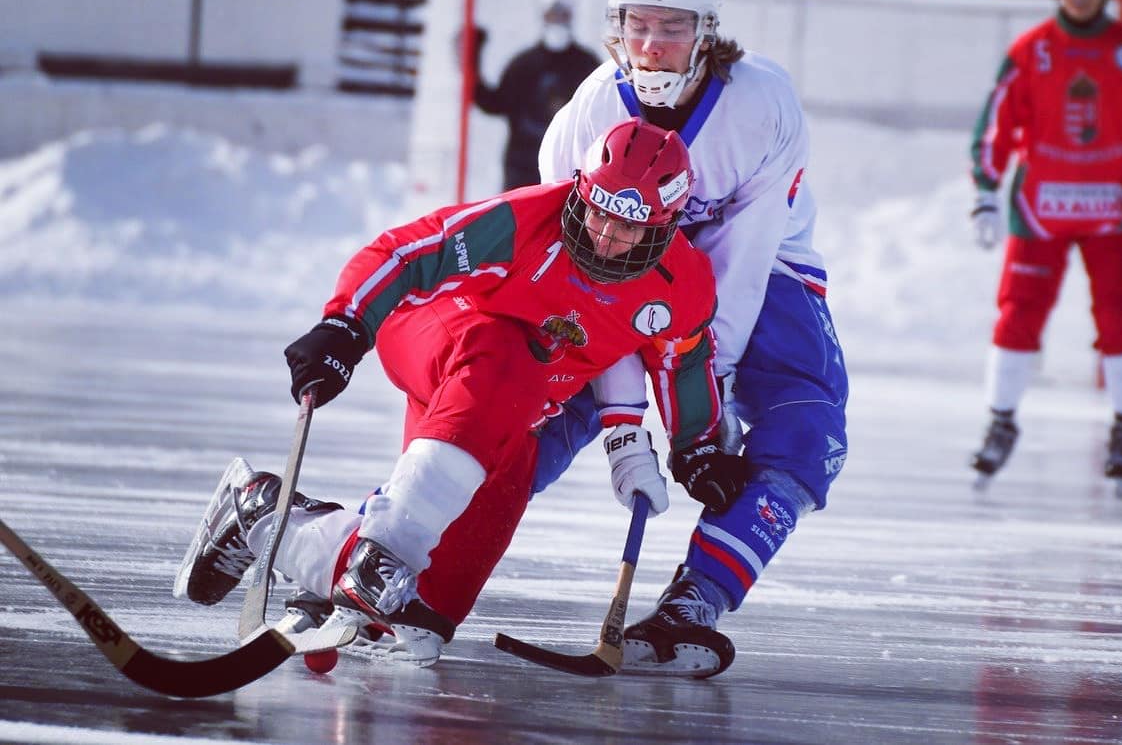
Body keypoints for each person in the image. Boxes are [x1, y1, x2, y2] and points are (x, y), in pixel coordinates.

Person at [174, 118, 723, 665]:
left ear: (666, 228)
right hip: (438, 335)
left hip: (510, 409)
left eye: (626, 229)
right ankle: (383, 552)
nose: (604, 237)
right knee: (509, 355)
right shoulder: (526, 220)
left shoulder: (686, 287)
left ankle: (270, 519)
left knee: (431, 609)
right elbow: (404, 252)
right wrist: (346, 324)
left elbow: (684, 361)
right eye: (598, 212)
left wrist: (696, 445)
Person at [534, 0, 849, 676]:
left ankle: (697, 596)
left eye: (672, 26)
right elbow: (588, 278)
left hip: (763, 265)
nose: (652, 43)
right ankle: (406, 542)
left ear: (706, 31)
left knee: (810, 427)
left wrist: (705, 418)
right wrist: (621, 427)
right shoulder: (587, 116)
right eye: (638, 24)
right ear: (616, 26)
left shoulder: (759, 105)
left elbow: (738, 265)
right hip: (619, 268)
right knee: (539, 401)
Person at [967, 0, 1122, 488]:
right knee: (1018, 312)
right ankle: (1000, 421)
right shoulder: (1031, 50)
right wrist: (987, 192)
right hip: (1041, 211)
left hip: (1113, 209)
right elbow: (997, 126)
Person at [471, 0, 600, 191]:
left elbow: (601, 110)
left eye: (562, 15)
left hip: (570, 169)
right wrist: (472, 59)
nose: (557, 21)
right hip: (522, 168)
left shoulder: (586, 65)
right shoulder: (523, 65)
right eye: (551, 15)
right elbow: (494, 104)